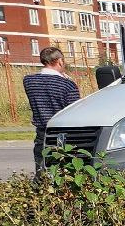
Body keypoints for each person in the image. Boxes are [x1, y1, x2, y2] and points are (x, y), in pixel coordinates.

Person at [23, 47, 81, 177]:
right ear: (60, 61)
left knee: (41, 169)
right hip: (63, 133)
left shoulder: (29, 81)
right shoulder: (67, 85)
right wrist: (68, 80)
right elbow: (75, 110)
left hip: (42, 132)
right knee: (64, 172)